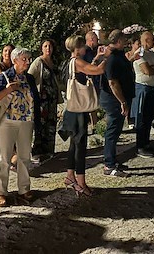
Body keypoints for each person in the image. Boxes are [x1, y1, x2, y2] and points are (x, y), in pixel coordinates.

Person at [0, 46, 40, 207]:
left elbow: (35, 99)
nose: (27, 62)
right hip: (7, 122)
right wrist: (8, 89)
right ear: (14, 60)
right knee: (3, 158)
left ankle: (24, 189)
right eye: (24, 59)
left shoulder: (29, 78)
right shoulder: (5, 76)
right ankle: (0, 192)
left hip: (26, 121)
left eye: (28, 59)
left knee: (24, 157)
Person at [58, 35, 106, 195]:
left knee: (74, 145)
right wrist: (108, 57)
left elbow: (88, 69)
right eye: (83, 46)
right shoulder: (77, 62)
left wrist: (97, 57)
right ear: (77, 48)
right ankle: (81, 182)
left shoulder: (69, 63)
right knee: (80, 147)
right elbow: (98, 70)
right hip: (78, 111)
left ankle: (70, 176)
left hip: (72, 109)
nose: (86, 48)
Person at [101, 29, 135, 177]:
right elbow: (113, 82)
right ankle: (108, 165)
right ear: (119, 41)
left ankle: (112, 159)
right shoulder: (112, 58)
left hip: (119, 98)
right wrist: (122, 101)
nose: (127, 42)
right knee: (112, 131)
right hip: (114, 99)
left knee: (116, 130)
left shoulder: (118, 55)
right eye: (124, 39)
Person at [28, 38, 60, 163]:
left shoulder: (53, 62)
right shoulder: (38, 62)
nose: (48, 48)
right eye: (45, 46)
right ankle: (38, 152)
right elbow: (30, 76)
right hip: (41, 100)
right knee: (40, 126)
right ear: (41, 48)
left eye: (50, 46)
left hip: (52, 100)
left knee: (51, 125)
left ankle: (49, 151)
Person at [132, 31, 154, 157]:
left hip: (152, 87)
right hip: (143, 88)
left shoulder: (151, 53)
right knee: (142, 118)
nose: (153, 42)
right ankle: (140, 146)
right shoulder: (139, 54)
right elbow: (147, 71)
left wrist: (153, 67)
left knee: (149, 117)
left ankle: (147, 144)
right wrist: (153, 67)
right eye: (151, 40)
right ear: (146, 40)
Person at [0, 43, 17, 172]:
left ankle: (13, 158)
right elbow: (0, 78)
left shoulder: (16, 66)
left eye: (10, 51)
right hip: (1, 101)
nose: (7, 53)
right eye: (5, 51)